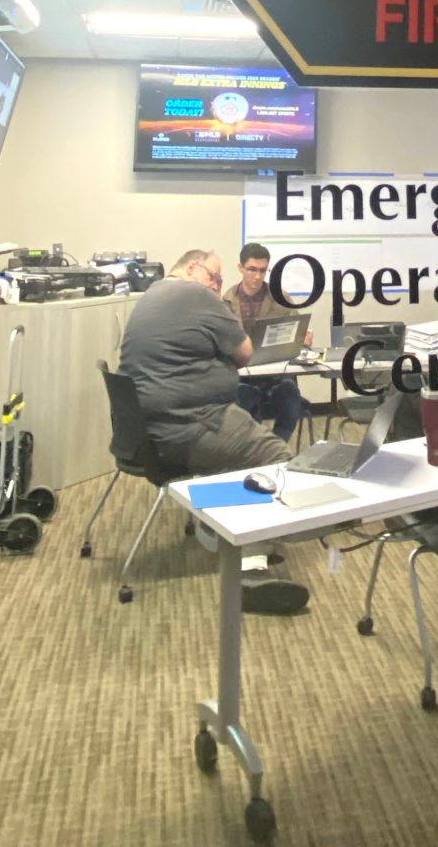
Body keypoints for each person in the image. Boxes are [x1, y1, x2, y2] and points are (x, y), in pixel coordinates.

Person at [117, 248, 309, 612]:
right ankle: (249, 569)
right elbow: (245, 353)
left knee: (249, 439)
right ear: (192, 268)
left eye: (220, 281)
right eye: (214, 277)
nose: (217, 286)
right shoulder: (196, 295)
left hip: (153, 430)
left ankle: (222, 525)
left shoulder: (153, 295)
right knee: (277, 460)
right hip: (189, 426)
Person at [227, 242, 311, 442]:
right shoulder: (227, 301)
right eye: (252, 270)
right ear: (240, 268)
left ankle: (278, 446)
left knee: (291, 396)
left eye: (263, 270)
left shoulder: (280, 297)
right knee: (242, 401)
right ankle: (257, 447)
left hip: (276, 374)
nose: (257, 276)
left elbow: (298, 331)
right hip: (244, 376)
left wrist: (303, 338)